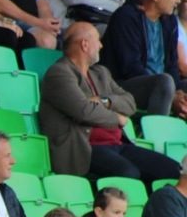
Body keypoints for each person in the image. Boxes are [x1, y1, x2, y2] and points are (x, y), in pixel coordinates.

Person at [42, 21, 178, 181]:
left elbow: (130, 103)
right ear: (84, 45)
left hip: (118, 144)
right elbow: (84, 111)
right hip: (85, 148)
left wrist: (104, 100)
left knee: (175, 171)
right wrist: (118, 118)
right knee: (129, 174)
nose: (101, 45)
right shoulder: (59, 73)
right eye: (98, 40)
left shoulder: (101, 73)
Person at [100, 0, 185, 117]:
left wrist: (178, 92)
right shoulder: (126, 17)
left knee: (169, 83)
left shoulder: (169, 20)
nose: (178, 0)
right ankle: (157, 136)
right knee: (164, 83)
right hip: (123, 85)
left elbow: (171, 64)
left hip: (163, 84)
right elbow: (130, 67)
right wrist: (172, 95)